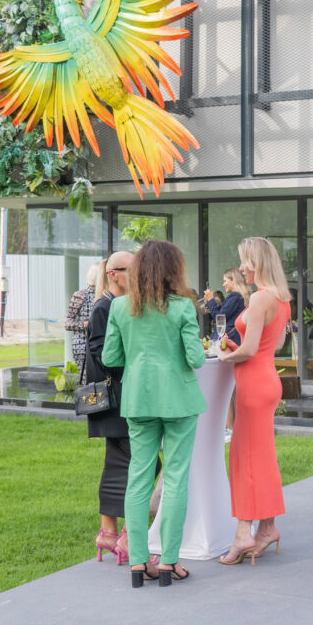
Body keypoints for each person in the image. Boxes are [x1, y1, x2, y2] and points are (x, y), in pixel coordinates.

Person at [103, 240, 207, 588]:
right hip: (179, 400)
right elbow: (195, 358)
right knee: (176, 478)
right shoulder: (182, 307)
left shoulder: (119, 308)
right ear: (173, 270)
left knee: (138, 478)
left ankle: (137, 563)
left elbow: (111, 358)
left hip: (138, 400)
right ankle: (169, 562)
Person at [218, 237, 292, 566]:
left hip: (253, 385)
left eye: (245, 262)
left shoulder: (262, 297)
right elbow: (273, 347)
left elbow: (248, 349)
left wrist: (221, 356)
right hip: (266, 381)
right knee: (261, 458)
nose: (242, 268)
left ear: (258, 263)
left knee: (243, 458)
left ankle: (243, 534)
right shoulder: (282, 298)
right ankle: (267, 529)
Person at [87, 253, 145, 567]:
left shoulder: (115, 305)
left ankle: (108, 531)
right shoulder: (105, 306)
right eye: (132, 271)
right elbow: (100, 354)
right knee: (145, 463)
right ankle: (126, 535)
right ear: (113, 274)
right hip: (115, 402)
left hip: (117, 400)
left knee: (116, 465)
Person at [66, 263, 100, 381]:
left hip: (99, 341)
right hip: (82, 343)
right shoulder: (80, 295)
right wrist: (84, 324)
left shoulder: (104, 296)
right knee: (86, 378)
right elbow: (68, 323)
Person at [203, 268, 251, 346]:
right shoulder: (240, 297)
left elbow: (219, 318)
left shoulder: (235, 296)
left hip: (227, 341)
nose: (223, 284)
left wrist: (210, 300)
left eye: (225, 281)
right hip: (233, 339)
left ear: (234, 280)